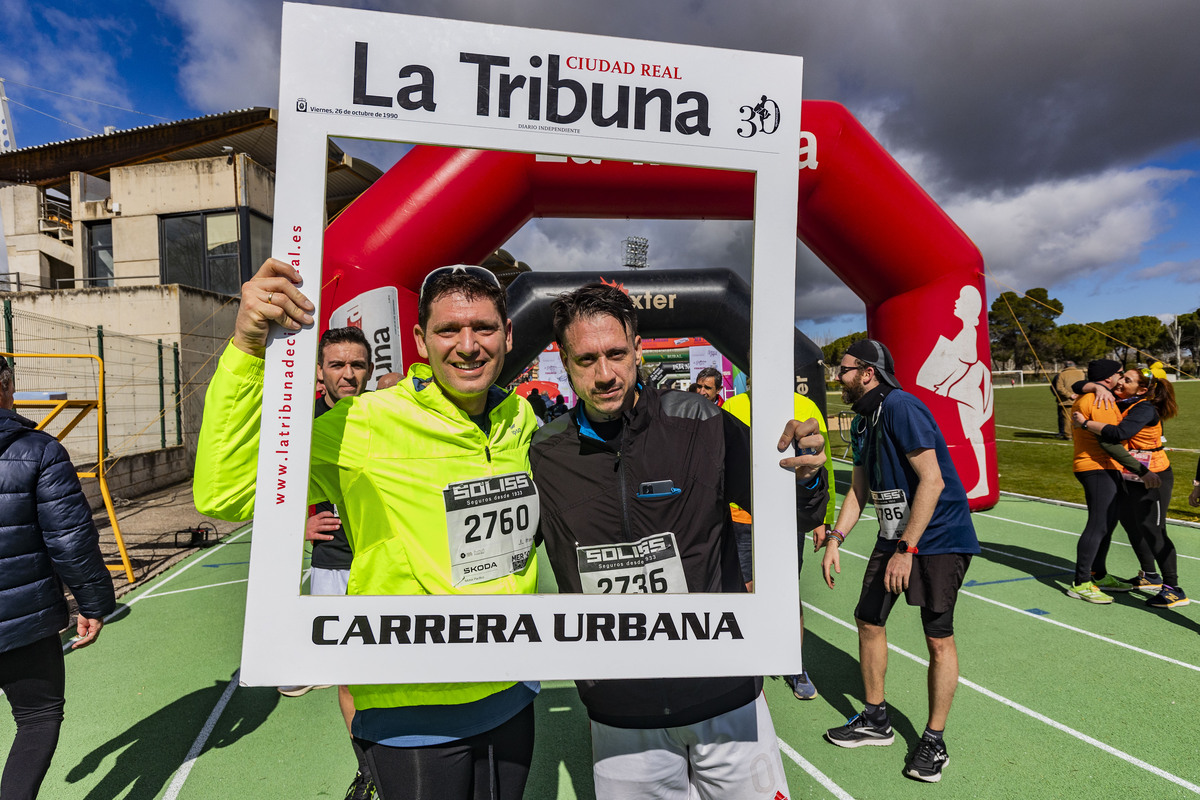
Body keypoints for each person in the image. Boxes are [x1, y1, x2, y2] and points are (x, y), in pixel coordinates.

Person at [194, 260, 541, 800]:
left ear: (509, 335)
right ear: (421, 341)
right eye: (449, 330)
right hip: (413, 700)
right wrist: (246, 348)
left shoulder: (518, 419)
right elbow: (226, 489)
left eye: (484, 328)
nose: (468, 345)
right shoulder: (367, 421)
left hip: (510, 688)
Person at [529, 283, 829, 800]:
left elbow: (795, 515)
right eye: (587, 359)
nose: (605, 374)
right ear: (563, 359)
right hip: (620, 711)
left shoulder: (702, 422)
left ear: (638, 348)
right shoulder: (544, 452)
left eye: (616, 354)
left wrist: (807, 479)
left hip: (725, 692)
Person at [817, 339, 979, 783]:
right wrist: (836, 537)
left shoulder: (902, 407)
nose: (838, 377)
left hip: (938, 537)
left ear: (868, 372)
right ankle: (875, 718)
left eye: (844, 369)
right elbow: (859, 489)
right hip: (896, 535)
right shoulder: (863, 420)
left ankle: (934, 740)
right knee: (868, 618)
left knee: (937, 638)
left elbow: (932, 479)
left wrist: (907, 549)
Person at [1, 356, 116, 799]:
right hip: (23, 622)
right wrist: (93, 605)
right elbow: (70, 539)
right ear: (7, 388)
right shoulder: (40, 451)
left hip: (23, 617)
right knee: (37, 717)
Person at [275, 327, 374, 799]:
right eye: (337, 364)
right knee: (349, 674)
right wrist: (298, 526)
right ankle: (368, 767)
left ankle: (399, 760)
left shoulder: (386, 414)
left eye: (356, 364)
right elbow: (268, 490)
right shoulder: (298, 424)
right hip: (334, 563)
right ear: (320, 371)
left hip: (388, 560)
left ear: (369, 370)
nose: (348, 374)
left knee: (396, 669)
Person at [722, 383, 836, 700]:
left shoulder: (806, 406)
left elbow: (822, 464)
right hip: (741, 518)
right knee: (745, 590)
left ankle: (794, 664)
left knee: (788, 591)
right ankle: (749, 663)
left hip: (788, 518)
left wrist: (824, 518)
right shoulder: (733, 405)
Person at [1073, 365, 1187, 608]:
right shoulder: (1123, 402)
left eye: (1127, 379)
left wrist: (1085, 424)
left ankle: (1173, 588)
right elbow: (1075, 386)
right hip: (1134, 474)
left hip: (1154, 475)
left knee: (1153, 529)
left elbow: (1119, 433)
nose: (1120, 383)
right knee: (1131, 524)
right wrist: (1092, 386)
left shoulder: (1144, 407)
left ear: (1142, 389)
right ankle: (1150, 576)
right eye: (1120, 377)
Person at [915, 285, 993, 498]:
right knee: (972, 435)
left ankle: (983, 483)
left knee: (974, 436)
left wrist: (946, 386)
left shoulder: (968, 332)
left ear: (969, 307)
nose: (956, 302)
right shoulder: (966, 331)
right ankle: (982, 482)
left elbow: (967, 363)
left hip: (968, 395)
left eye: (960, 299)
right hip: (964, 394)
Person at [1066, 359, 1133, 603]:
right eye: (1120, 374)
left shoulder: (1098, 394)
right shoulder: (1100, 400)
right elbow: (1111, 438)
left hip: (1103, 465)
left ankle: (1098, 574)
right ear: (1108, 378)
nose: (1122, 377)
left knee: (1107, 522)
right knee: (1098, 524)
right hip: (1096, 466)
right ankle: (1081, 582)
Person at [1052, 361, 1086, 440]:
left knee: (1067, 419)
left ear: (1065, 366)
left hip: (1066, 400)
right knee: (1079, 418)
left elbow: (1059, 388)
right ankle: (1078, 434)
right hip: (1080, 399)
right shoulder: (1081, 373)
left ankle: (1068, 435)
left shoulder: (1062, 374)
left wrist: (1070, 395)